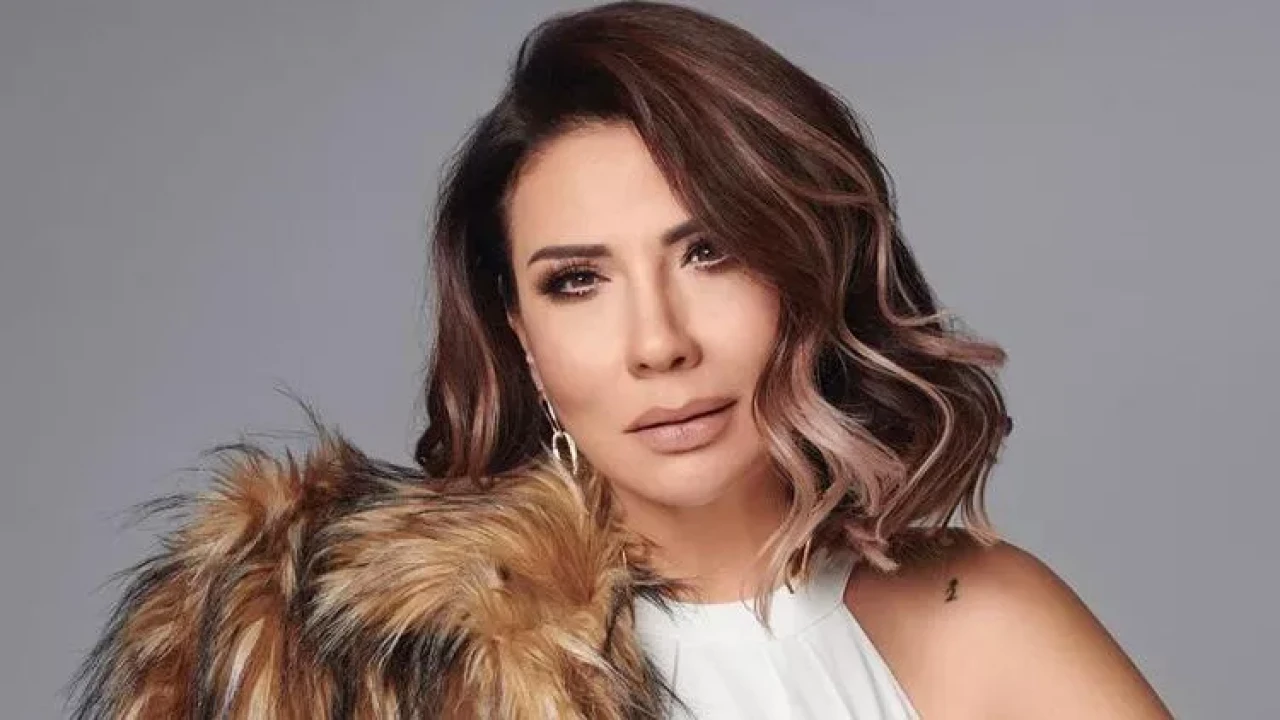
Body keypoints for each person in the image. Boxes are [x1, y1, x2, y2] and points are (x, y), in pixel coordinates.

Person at [71, 2, 1172, 718]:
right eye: (577, 282)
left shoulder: (978, 617)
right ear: (520, 335)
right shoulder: (367, 660)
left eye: (710, 252)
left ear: (807, 268)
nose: (658, 343)